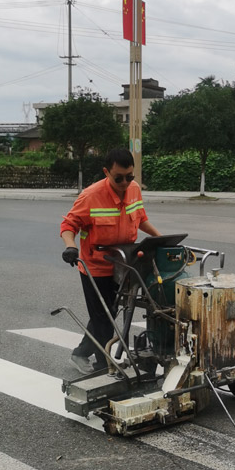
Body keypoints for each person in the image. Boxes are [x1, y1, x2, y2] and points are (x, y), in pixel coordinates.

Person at [60, 148, 161, 373]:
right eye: (119, 178)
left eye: (129, 177)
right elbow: (69, 225)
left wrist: (161, 239)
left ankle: (79, 353)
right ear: (106, 172)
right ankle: (104, 368)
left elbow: (141, 218)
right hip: (95, 268)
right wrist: (70, 246)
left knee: (107, 313)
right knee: (103, 318)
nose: (125, 182)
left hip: (123, 265)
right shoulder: (90, 196)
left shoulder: (134, 190)